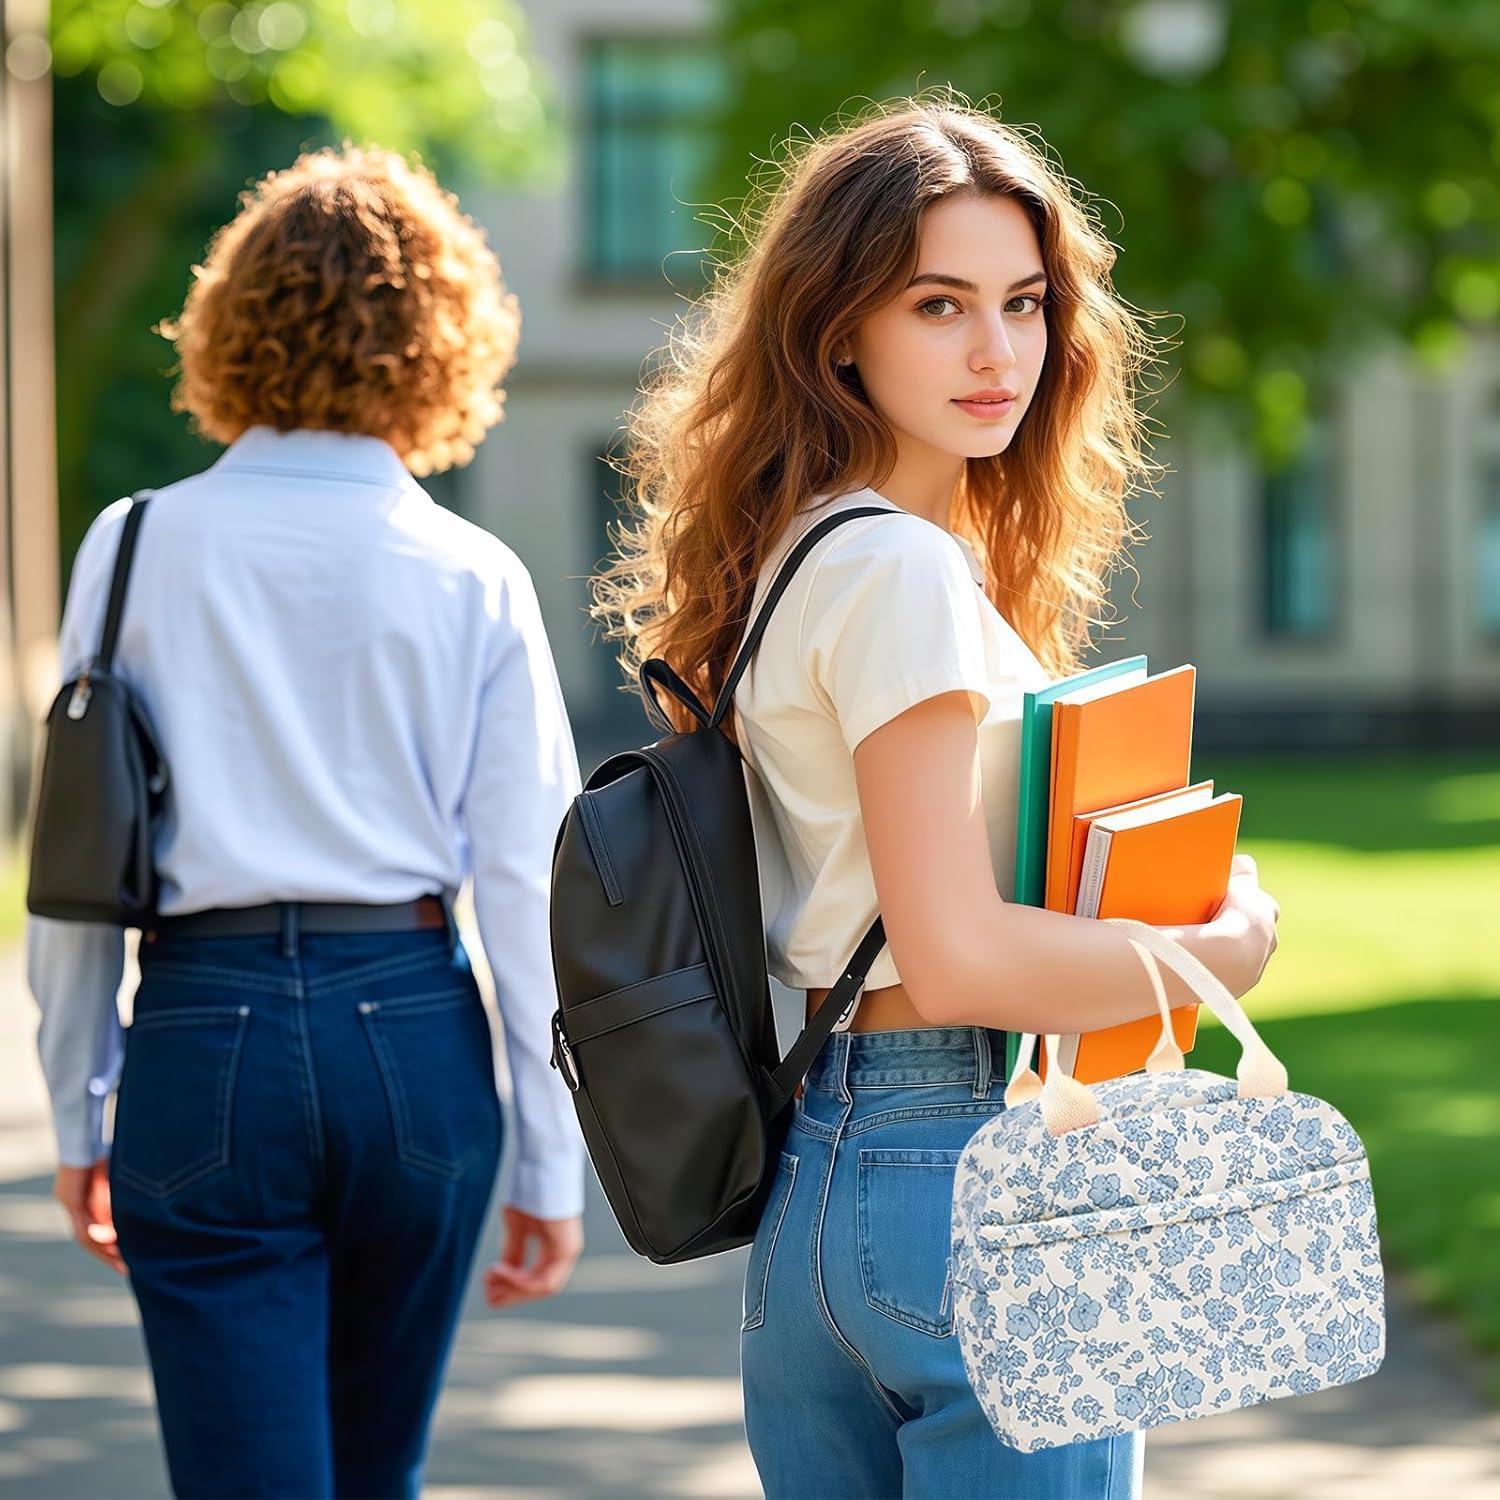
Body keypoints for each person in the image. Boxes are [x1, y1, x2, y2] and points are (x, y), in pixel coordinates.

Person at [593, 98, 1282, 1497]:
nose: (996, 352)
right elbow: (955, 954)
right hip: (965, 1156)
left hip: (821, 1189)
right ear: (838, 328)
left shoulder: (802, 553)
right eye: (939, 304)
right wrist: (1215, 953)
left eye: (1024, 304)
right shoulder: (898, 568)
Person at [27, 145, 585, 1499]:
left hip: (202, 1030)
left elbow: (78, 863)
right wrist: (553, 1158)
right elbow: (532, 886)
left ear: (231, 323)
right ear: (442, 341)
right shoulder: (475, 573)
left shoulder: (133, 544)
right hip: (414, 1034)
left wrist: (77, 1110)